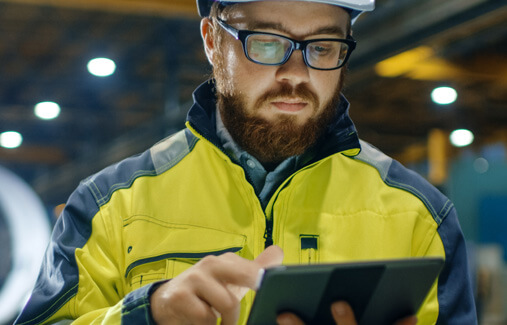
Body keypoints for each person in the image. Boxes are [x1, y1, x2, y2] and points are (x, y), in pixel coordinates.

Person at [15, 0, 477, 324]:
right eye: (269, 42)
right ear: (213, 41)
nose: (297, 74)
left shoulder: (420, 217)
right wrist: (147, 316)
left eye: (322, 47)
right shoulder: (109, 207)